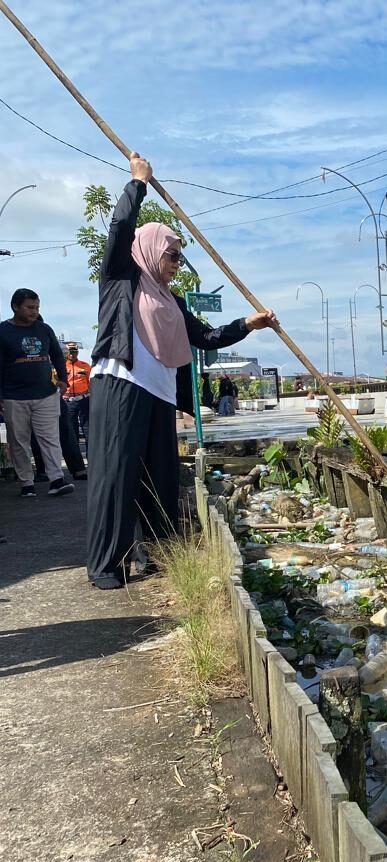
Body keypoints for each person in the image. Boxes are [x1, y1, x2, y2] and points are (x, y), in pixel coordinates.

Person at [86, 152, 277, 589]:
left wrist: (250, 323)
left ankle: (155, 554)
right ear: (152, 252)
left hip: (157, 394)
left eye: (176, 257)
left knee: (159, 479)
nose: (174, 263)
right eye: (170, 255)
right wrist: (138, 184)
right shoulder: (122, 278)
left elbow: (208, 338)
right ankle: (105, 566)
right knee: (118, 476)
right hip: (121, 385)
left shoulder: (170, 301)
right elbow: (118, 232)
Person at [0, 288, 74, 497]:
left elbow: (57, 355)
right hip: (14, 397)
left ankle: (56, 480)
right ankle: (27, 484)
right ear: (15, 307)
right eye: (30, 307)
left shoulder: (44, 329)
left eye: (37, 307)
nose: (34, 311)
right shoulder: (3, 332)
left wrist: (62, 379)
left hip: (45, 394)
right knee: (19, 441)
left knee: (50, 437)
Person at [64, 342, 91, 450]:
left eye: (74, 352)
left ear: (77, 352)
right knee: (72, 431)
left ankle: (91, 457)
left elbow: (91, 382)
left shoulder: (85, 366)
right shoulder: (61, 366)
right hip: (68, 401)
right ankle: (77, 460)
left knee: (88, 429)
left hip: (83, 400)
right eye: (70, 352)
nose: (72, 354)